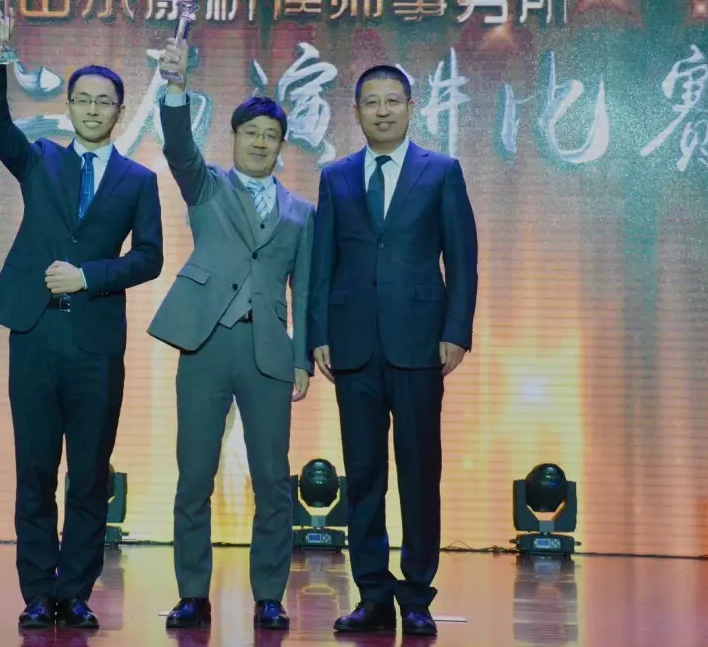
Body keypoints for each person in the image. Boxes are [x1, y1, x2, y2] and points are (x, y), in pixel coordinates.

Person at [0, 6, 164, 630]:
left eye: (104, 101)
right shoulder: (40, 160)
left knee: (88, 474)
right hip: (35, 332)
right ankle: (37, 591)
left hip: (95, 341)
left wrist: (90, 276)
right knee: (34, 469)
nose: (92, 109)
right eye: (82, 99)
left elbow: (150, 257)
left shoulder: (138, 180)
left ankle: (75, 592)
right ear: (69, 105)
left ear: (119, 111)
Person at [146, 37, 314, 632]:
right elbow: (177, 146)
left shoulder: (302, 213)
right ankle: (193, 593)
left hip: (268, 351)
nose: (260, 142)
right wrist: (175, 86)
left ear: (282, 145)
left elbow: (305, 291)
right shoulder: (208, 185)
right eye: (251, 133)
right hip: (206, 344)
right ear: (235, 137)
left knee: (273, 479)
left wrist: (302, 360)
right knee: (194, 475)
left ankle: (269, 595)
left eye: (271, 136)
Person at [308, 64, 479, 637]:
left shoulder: (442, 171)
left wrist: (456, 331)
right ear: (356, 111)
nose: (382, 111)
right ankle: (373, 595)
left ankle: (418, 594)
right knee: (363, 475)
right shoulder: (335, 176)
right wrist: (318, 333)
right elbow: (322, 262)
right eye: (371, 102)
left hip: (419, 344)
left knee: (419, 472)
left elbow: (462, 258)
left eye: (393, 101)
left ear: (411, 106)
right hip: (353, 345)